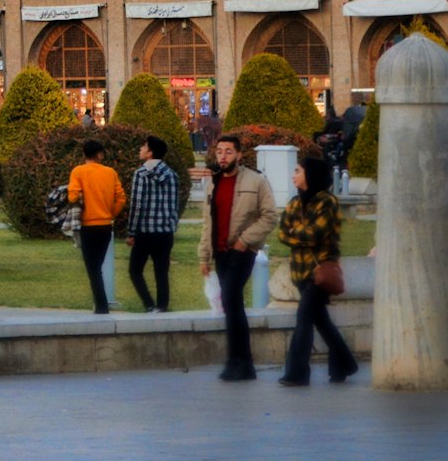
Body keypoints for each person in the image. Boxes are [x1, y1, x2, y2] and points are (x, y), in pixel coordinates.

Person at [198, 133, 277, 381]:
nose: (223, 156)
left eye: (228, 151)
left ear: (239, 154)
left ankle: (238, 361)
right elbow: (207, 222)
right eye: (219, 152)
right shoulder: (214, 182)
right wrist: (204, 256)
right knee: (233, 305)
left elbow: (269, 216)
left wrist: (245, 240)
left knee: (231, 299)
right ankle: (243, 363)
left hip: (242, 250)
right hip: (220, 252)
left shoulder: (256, 181)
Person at [277, 155, 358, 388]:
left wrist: (296, 231)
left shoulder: (327, 201)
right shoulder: (294, 202)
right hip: (300, 272)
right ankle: (344, 363)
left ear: (310, 175)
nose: (294, 175)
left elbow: (315, 234)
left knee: (303, 320)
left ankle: (297, 373)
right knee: (321, 322)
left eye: (298, 171)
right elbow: (282, 233)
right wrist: (298, 232)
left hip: (320, 272)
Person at [68, 140, 126, 314]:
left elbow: (72, 197)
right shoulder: (110, 173)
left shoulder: (78, 172)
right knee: (97, 266)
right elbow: (121, 198)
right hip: (105, 225)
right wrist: (111, 213)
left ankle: (101, 306)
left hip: (87, 226)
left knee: (92, 268)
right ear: (100, 154)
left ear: (84, 154)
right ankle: (100, 304)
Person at [126, 134, 180, 312]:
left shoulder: (141, 174)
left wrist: (131, 232)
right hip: (165, 232)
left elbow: (137, 205)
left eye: (143, 147)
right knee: (161, 272)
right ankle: (162, 306)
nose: (140, 150)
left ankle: (149, 304)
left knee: (135, 271)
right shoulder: (172, 175)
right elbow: (175, 206)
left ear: (150, 153)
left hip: (145, 232)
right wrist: (172, 226)